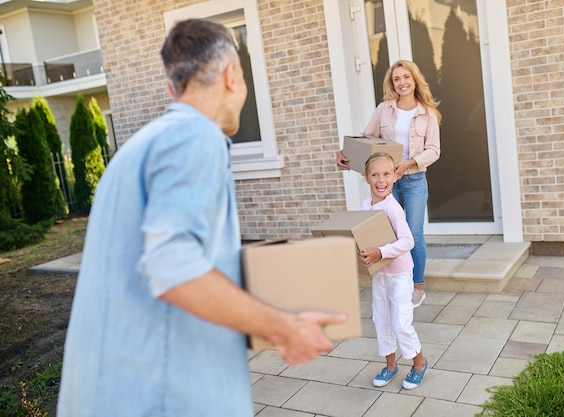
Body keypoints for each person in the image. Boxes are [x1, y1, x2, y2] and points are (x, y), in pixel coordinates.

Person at [57, 19, 345, 417]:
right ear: (231, 76)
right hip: (161, 398)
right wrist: (285, 328)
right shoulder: (196, 136)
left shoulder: (136, 149)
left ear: (171, 87)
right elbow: (173, 266)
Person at [337, 60, 441, 308]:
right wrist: (342, 152)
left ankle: (416, 287)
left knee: (413, 233)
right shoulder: (384, 109)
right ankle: (390, 280)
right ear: (392, 84)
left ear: (415, 80)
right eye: (397, 79)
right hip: (387, 180)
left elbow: (434, 150)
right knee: (386, 231)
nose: (402, 82)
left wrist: (410, 164)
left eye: (406, 77)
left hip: (414, 178)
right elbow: (366, 138)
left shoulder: (428, 113)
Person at [359, 152, 428, 390]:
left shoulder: (392, 207)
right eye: (375, 174)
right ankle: (390, 366)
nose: (381, 180)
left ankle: (419, 363)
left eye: (387, 174)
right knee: (381, 320)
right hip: (380, 274)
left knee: (400, 323)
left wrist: (381, 252)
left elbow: (408, 241)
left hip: (399, 273)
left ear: (395, 177)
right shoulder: (365, 205)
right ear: (366, 178)